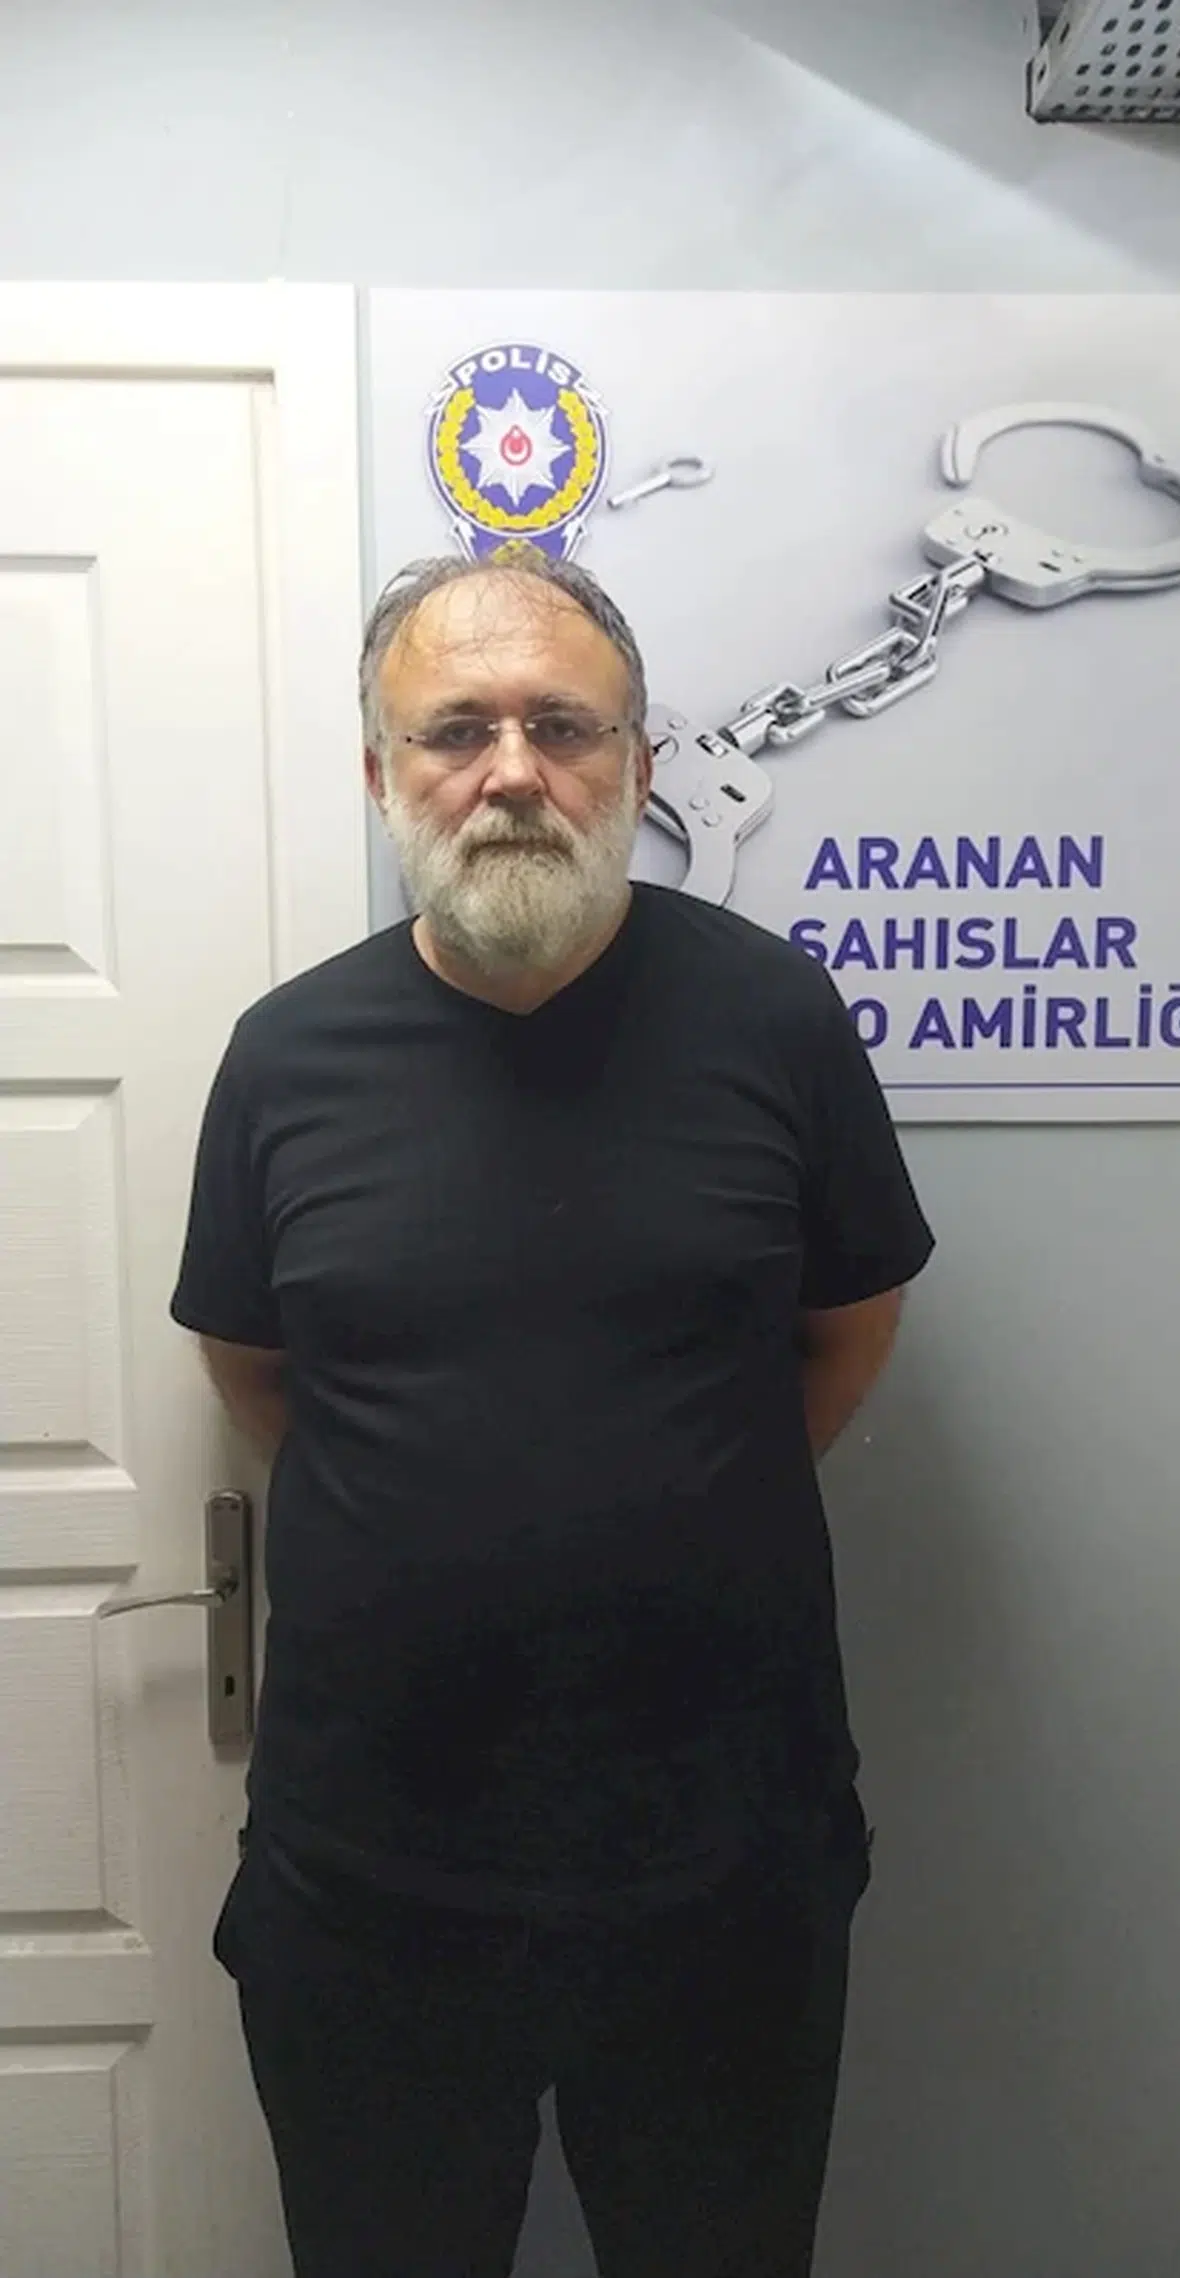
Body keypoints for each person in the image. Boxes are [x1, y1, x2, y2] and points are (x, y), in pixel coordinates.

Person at [170, 548, 935, 2278]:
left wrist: (659, 1496)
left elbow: (845, 1330)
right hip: (370, 1878)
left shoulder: (776, 1020)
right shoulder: (285, 1059)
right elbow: (256, 1366)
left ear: (640, 763)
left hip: (726, 1864)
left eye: (562, 725)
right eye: (455, 730)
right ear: (383, 774)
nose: (510, 768)